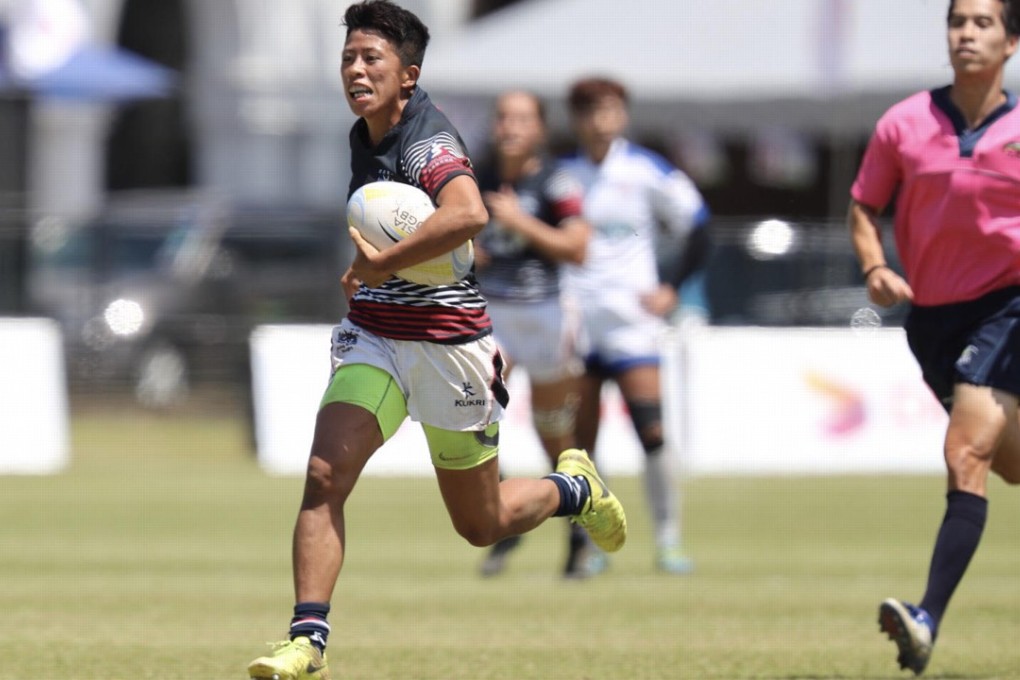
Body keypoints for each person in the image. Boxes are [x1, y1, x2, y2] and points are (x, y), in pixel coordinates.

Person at [245, 3, 626, 679]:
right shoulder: (362, 133)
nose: (356, 71)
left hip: (451, 350)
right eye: (348, 59)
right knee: (324, 475)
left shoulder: (429, 141)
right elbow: (388, 238)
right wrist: (369, 272)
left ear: (409, 76)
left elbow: (468, 214)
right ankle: (308, 640)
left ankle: (573, 490)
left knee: (481, 524)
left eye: (372, 60)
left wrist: (381, 265)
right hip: (378, 339)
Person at [847, 0, 1020, 675]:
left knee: (965, 453)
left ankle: (925, 618)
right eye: (958, 22)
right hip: (932, 320)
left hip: (1007, 306)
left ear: (1011, 41)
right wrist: (876, 267)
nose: (966, 34)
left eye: (982, 23)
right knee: (1004, 463)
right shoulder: (904, 123)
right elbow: (864, 207)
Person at [561, 77, 711, 575]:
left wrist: (673, 285)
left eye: (608, 109)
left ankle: (668, 539)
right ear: (576, 118)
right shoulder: (562, 176)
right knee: (579, 444)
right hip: (576, 322)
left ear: (622, 114)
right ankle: (589, 545)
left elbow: (700, 223)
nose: (599, 119)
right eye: (588, 110)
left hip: (630, 323)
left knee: (652, 430)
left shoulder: (646, 170)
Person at [471, 90, 593, 578]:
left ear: (540, 128)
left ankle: (578, 524)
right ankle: (500, 516)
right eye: (503, 117)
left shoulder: (555, 180)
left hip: (544, 313)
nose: (511, 126)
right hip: (489, 312)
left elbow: (578, 247)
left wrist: (520, 221)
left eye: (523, 118)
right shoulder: (473, 176)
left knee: (551, 429)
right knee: (475, 413)